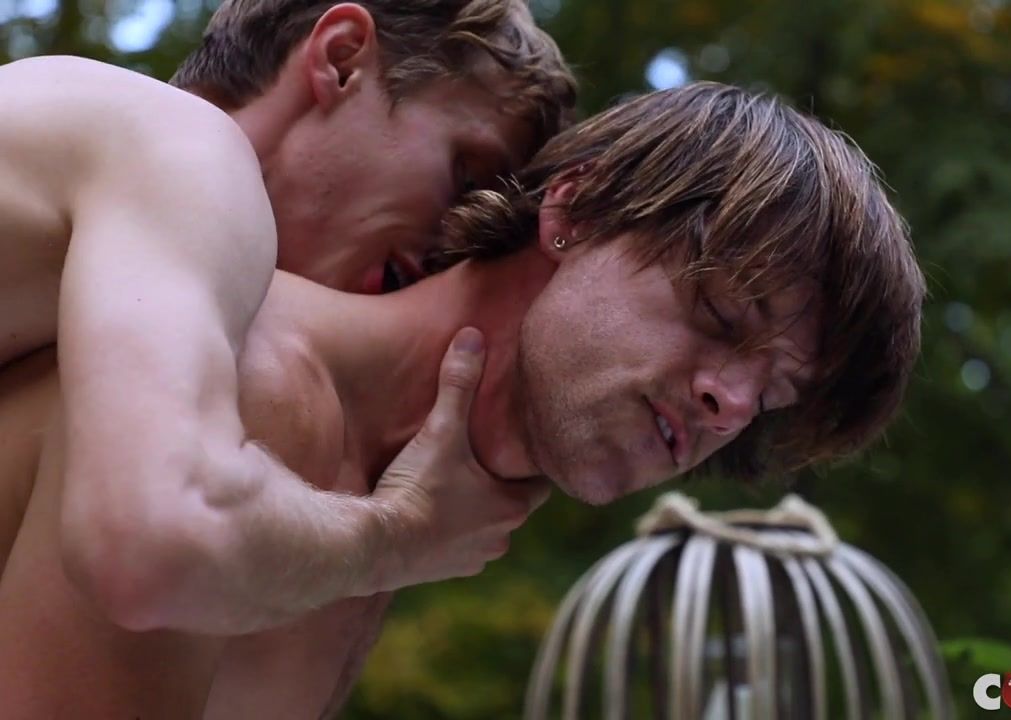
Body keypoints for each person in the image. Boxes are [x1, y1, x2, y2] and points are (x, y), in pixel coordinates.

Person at [0, 82, 926, 718]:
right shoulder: (255, 388)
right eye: (721, 313)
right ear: (573, 212)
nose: (732, 403)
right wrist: (389, 539)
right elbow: (144, 556)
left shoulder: (395, 513)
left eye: (774, 395)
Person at [0, 0, 576, 636]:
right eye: (464, 175)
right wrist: (403, 535)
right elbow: (146, 541)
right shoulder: (183, 148)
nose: (449, 245)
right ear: (342, 58)